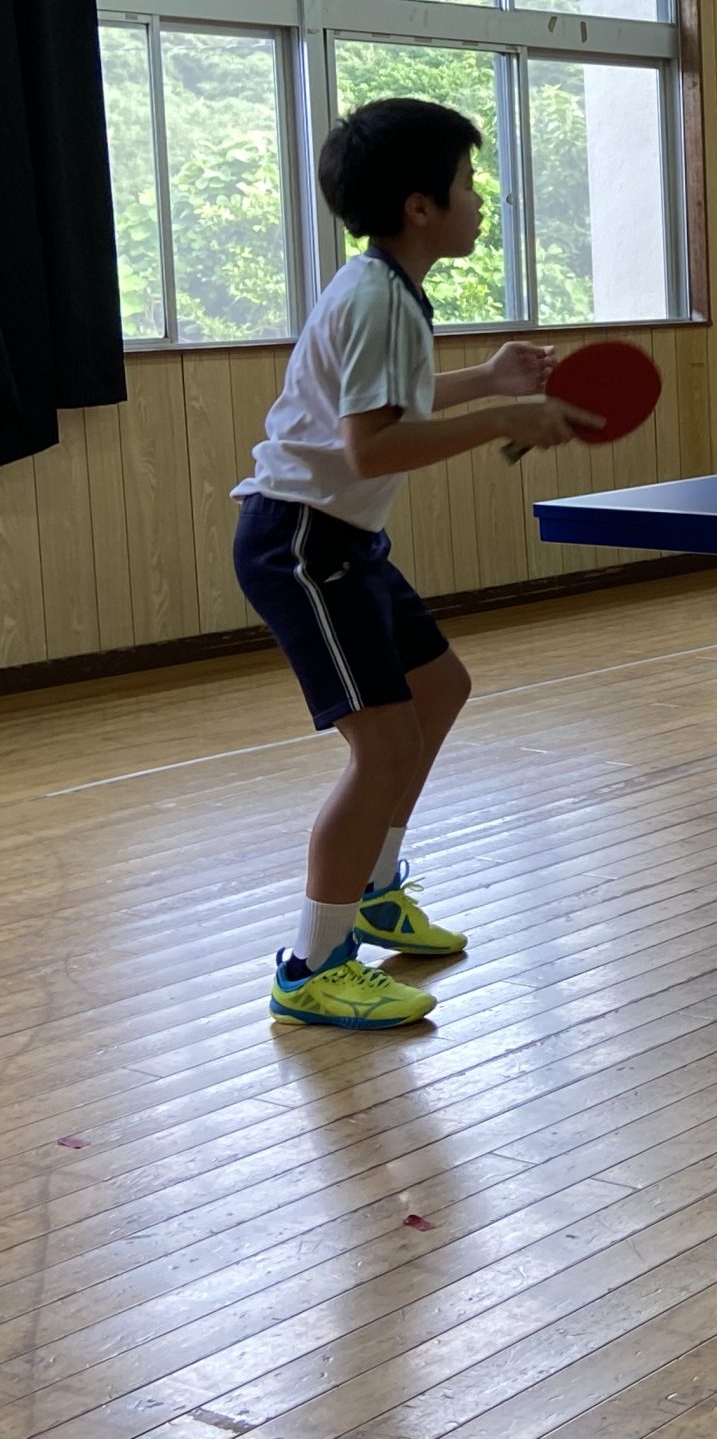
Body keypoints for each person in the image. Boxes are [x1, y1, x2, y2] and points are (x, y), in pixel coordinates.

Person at [233, 98, 598, 1028]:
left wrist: (490, 379)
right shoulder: (375, 297)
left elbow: (386, 397)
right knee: (384, 746)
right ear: (420, 206)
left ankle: (376, 887)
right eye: (468, 183)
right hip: (303, 543)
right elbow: (373, 447)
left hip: (341, 539)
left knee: (440, 688)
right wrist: (504, 418)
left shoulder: (386, 289)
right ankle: (311, 966)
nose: (480, 200)